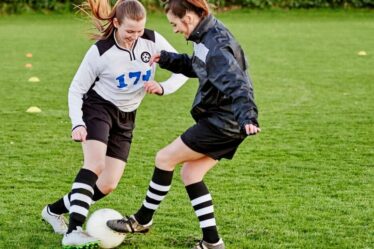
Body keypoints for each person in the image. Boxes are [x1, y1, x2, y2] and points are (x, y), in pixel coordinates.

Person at [107, 0, 261, 248]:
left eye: (174, 23)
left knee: (164, 158)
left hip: (224, 122)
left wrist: (248, 116)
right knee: (191, 173)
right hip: (225, 120)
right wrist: (167, 59)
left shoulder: (217, 44)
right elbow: (199, 67)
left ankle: (142, 220)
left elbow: (237, 84)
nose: (175, 29)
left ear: (187, 17)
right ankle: (212, 242)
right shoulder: (207, 36)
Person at [41, 0, 188, 248]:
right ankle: (73, 231)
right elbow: (76, 89)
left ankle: (53, 211)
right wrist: (77, 123)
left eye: (139, 31)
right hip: (98, 108)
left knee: (107, 185)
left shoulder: (152, 40)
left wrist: (164, 87)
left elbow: (183, 68)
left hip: (127, 116)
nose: (135, 36)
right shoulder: (100, 51)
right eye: (129, 31)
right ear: (117, 23)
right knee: (95, 164)